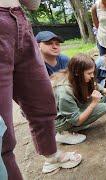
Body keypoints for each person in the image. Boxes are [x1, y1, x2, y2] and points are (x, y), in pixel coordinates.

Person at [0, 0, 81, 178]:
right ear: (40, 45)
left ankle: (51, 155)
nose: (55, 46)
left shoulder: (64, 59)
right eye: (49, 43)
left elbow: (33, 4)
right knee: (2, 134)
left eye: (57, 43)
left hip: (19, 18)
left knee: (43, 102)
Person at [51, 53, 106, 145]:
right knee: (101, 106)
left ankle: (79, 122)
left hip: (71, 110)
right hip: (58, 121)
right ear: (77, 73)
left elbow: (100, 89)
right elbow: (76, 120)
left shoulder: (77, 78)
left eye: (92, 72)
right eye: (89, 73)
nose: (92, 76)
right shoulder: (64, 91)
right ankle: (63, 132)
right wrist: (93, 104)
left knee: (101, 99)